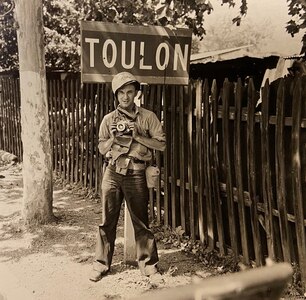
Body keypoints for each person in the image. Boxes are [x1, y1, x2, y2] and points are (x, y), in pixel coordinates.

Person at [89, 72, 166, 282]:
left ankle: (150, 267)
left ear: (136, 93)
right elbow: (101, 148)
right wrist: (114, 137)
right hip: (113, 172)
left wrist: (137, 135)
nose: (125, 96)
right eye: (121, 92)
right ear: (116, 95)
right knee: (107, 221)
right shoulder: (108, 120)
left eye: (130, 92)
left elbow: (161, 144)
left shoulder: (148, 117)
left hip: (136, 173)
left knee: (141, 222)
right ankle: (101, 264)